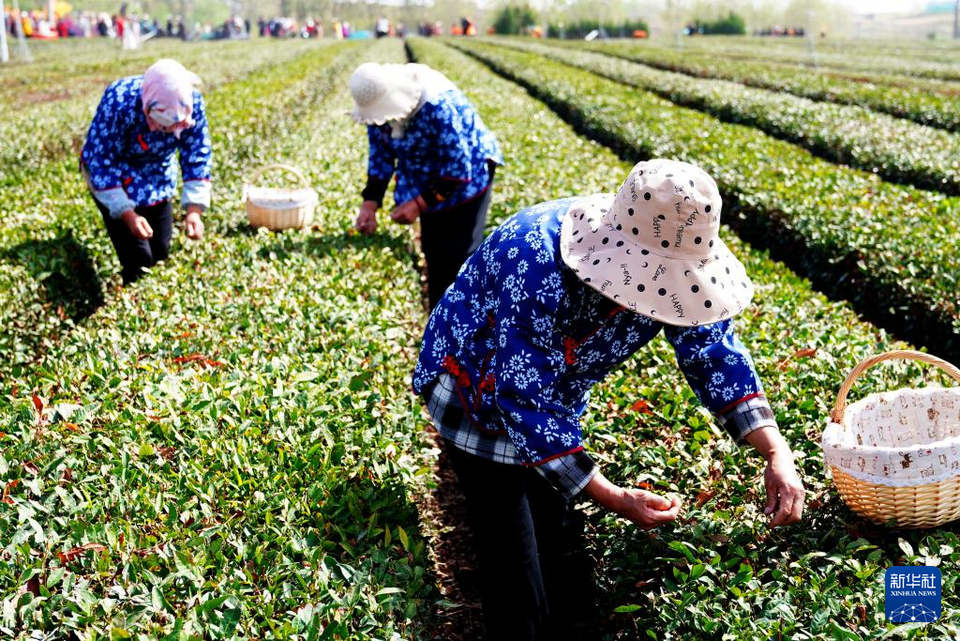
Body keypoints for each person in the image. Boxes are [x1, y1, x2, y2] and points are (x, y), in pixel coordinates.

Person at [412, 159, 806, 639]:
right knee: (510, 551)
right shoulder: (534, 260)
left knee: (556, 521)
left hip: (551, 393)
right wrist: (616, 498)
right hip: (473, 386)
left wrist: (776, 451)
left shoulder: (679, 260)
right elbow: (523, 399)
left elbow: (712, 352)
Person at [350, 62, 503, 308]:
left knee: (458, 256)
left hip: (468, 176)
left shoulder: (437, 106)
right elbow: (380, 156)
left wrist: (418, 204)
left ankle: (465, 327)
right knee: (434, 252)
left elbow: (458, 168)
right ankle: (437, 322)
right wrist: (370, 203)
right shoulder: (377, 112)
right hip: (426, 175)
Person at [81, 59, 211, 285]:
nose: (169, 131)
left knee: (160, 252)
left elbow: (196, 153)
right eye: (162, 124)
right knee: (139, 260)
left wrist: (194, 211)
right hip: (115, 178)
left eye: (174, 126)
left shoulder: (190, 103)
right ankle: (129, 295)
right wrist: (127, 214)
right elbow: (102, 162)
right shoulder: (119, 102)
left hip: (157, 176)